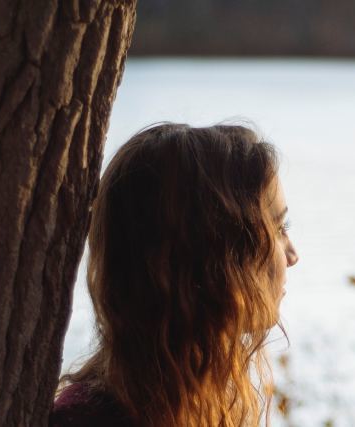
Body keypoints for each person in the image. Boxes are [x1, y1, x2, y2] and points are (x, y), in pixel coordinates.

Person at [50, 123, 299, 426]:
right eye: (278, 228)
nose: (292, 256)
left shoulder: (186, 399)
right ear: (214, 253)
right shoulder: (92, 418)